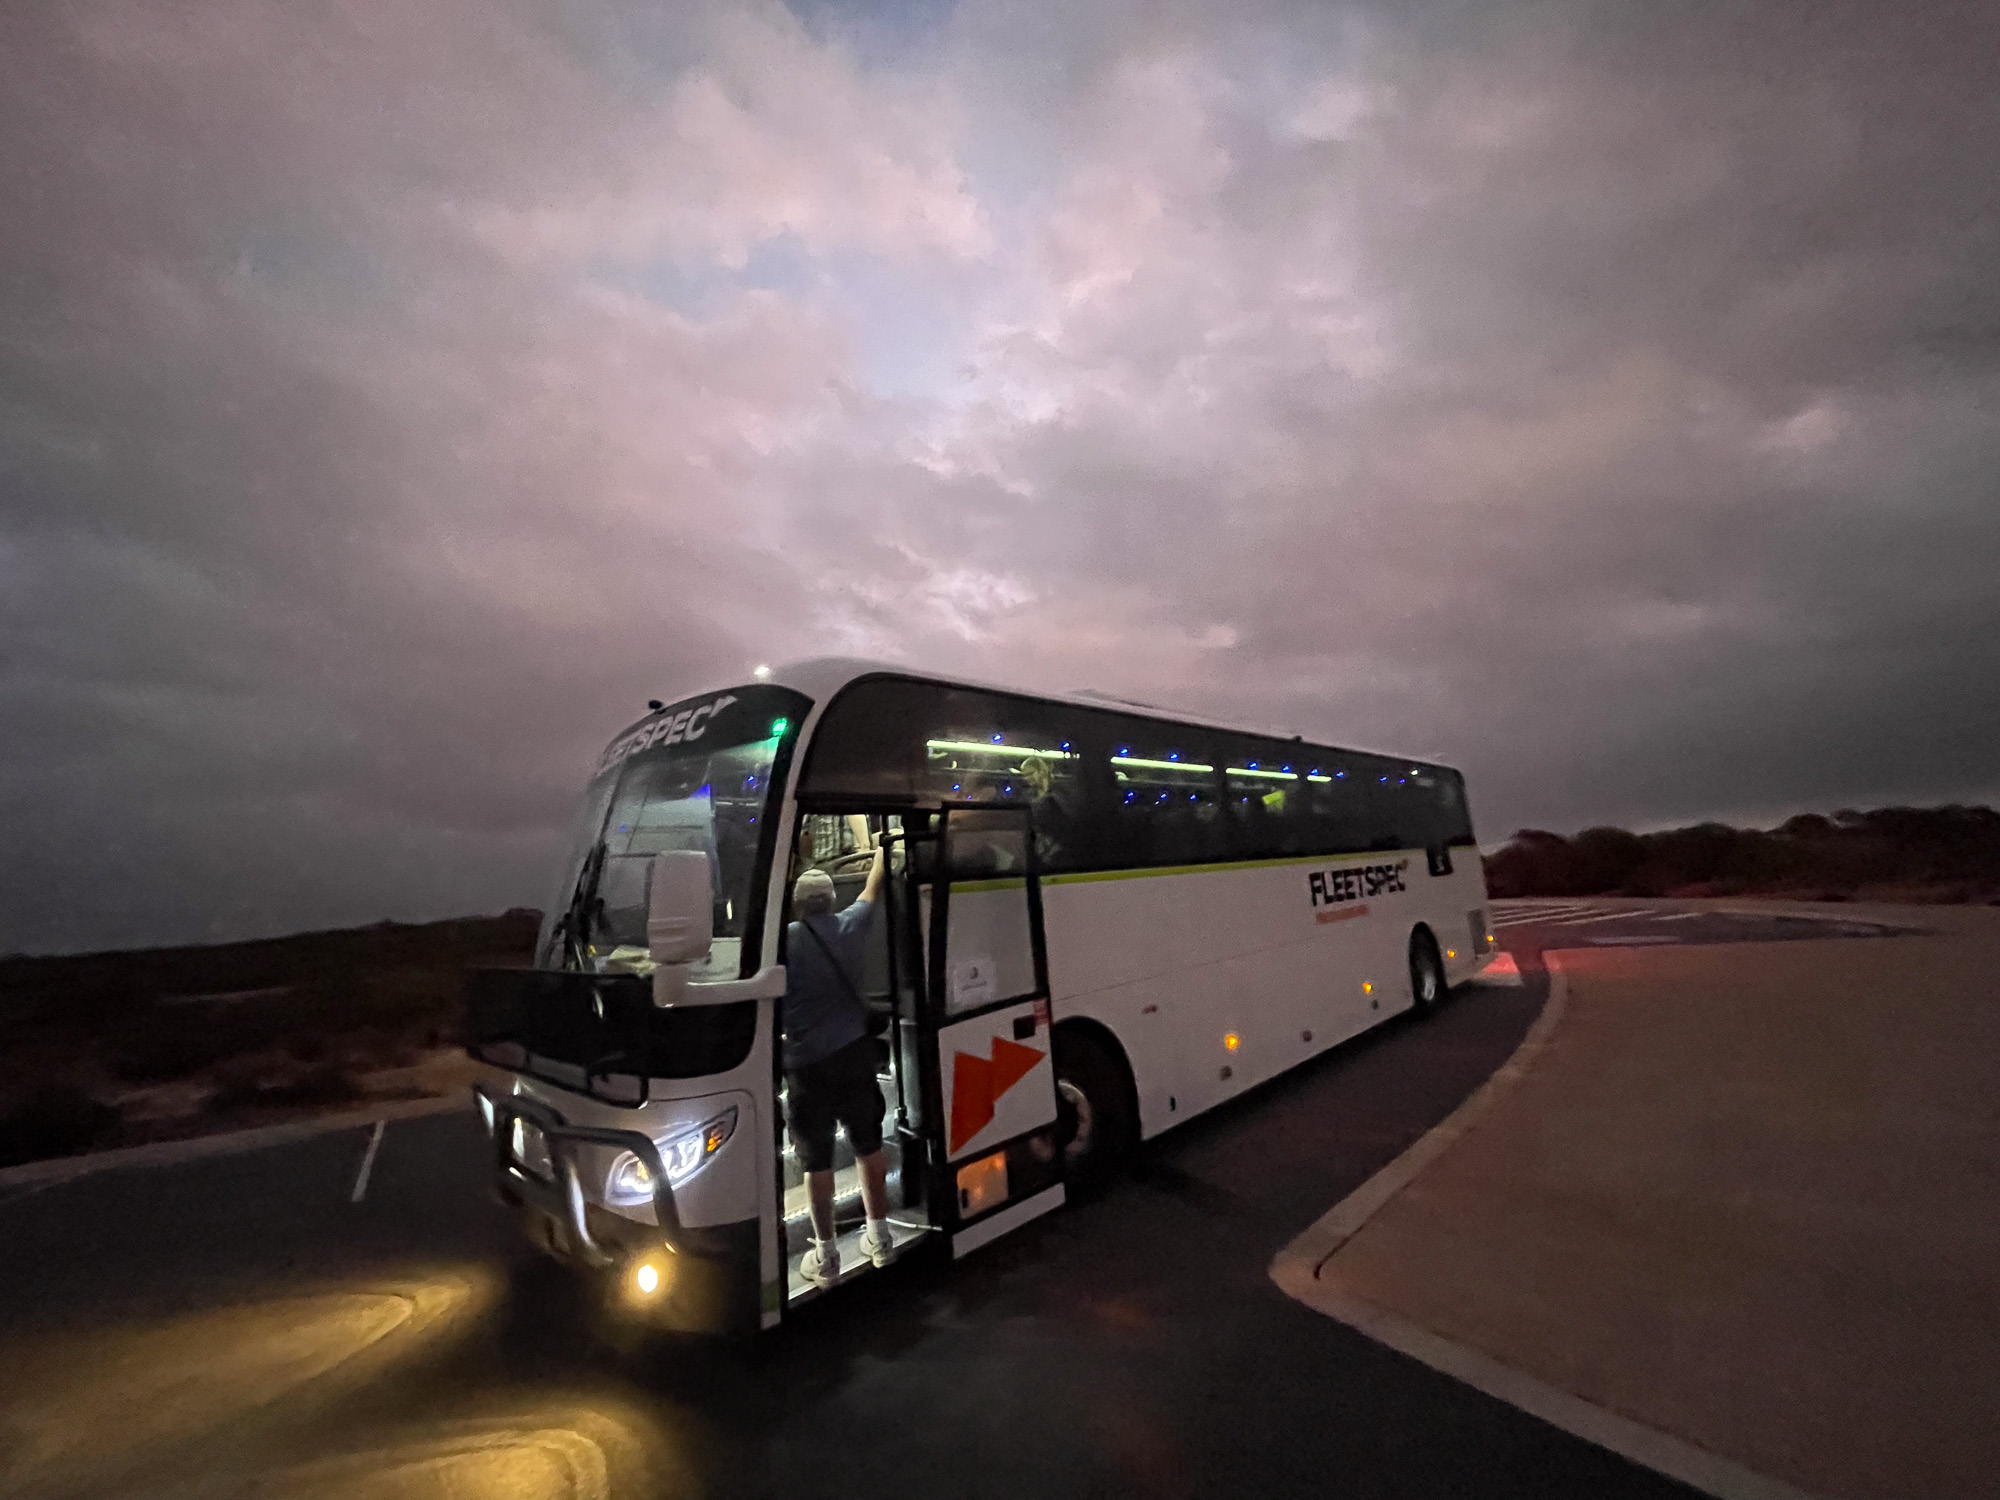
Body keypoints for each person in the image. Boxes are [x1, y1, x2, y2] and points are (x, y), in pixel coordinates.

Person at [782, 842, 894, 1286]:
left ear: (798, 905)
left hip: (807, 1065)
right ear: (831, 900)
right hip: (854, 1054)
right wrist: (883, 852)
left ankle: (826, 1256)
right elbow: (872, 887)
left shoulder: (784, 940)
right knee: (868, 1144)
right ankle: (879, 1237)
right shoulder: (851, 924)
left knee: (817, 1160)